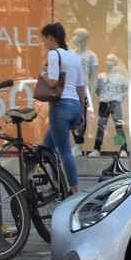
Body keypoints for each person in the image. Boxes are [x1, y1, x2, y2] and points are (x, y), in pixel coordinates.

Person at [39, 22, 86, 194]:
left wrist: (42, 72)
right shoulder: (73, 56)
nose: (44, 44)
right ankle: (57, 182)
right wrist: (81, 112)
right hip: (74, 106)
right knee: (48, 145)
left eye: (44, 40)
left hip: (60, 106)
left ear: (51, 38)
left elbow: (52, 82)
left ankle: (74, 190)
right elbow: (81, 87)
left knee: (64, 150)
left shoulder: (54, 54)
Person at [89, 54, 129, 158]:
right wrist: (102, 97)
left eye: (111, 61)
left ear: (115, 62)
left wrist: (119, 97)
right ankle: (96, 149)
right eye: (107, 60)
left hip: (115, 103)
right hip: (104, 103)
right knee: (101, 126)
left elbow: (126, 89)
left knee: (118, 126)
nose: (109, 63)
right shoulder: (101, 76)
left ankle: (123, 149)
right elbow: (97, 89)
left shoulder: (120, 78)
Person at [70, 28, 99, 151]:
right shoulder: (71, 54)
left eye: (74, 35)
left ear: (82, 38)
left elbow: (95, 77)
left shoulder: (91, 55)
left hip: (83, 91)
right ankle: (77, 144)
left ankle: (78, 144)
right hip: (71, 90)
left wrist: (91, 96)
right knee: (72, 117)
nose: (72, 38)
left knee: (81, 117)